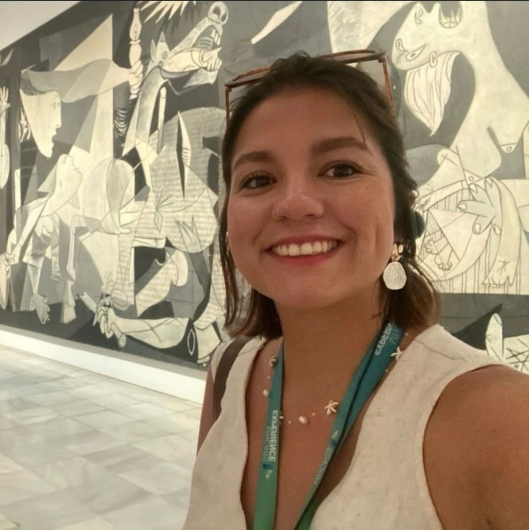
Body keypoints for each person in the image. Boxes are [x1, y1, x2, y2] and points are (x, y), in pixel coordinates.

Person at [184, 51, 529, 529]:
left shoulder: (501, 421)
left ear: (401, 214)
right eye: (258, 179)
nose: (295, 203)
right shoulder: (228, 372)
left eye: (341, 169)